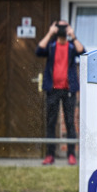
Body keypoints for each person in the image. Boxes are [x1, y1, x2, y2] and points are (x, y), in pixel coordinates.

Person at [36, 20, 85, 165]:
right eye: (60, 27)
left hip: (69, 90)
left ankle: (71, 154)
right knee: (51, 122)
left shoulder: (71, 46)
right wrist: (50, 32)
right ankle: (50, 155)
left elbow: (83, 52)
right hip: (52, 90)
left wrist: (73, 36)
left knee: (70, 122)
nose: (62, 29)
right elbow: (38, 50)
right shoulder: (51, 46)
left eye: (64, 26)